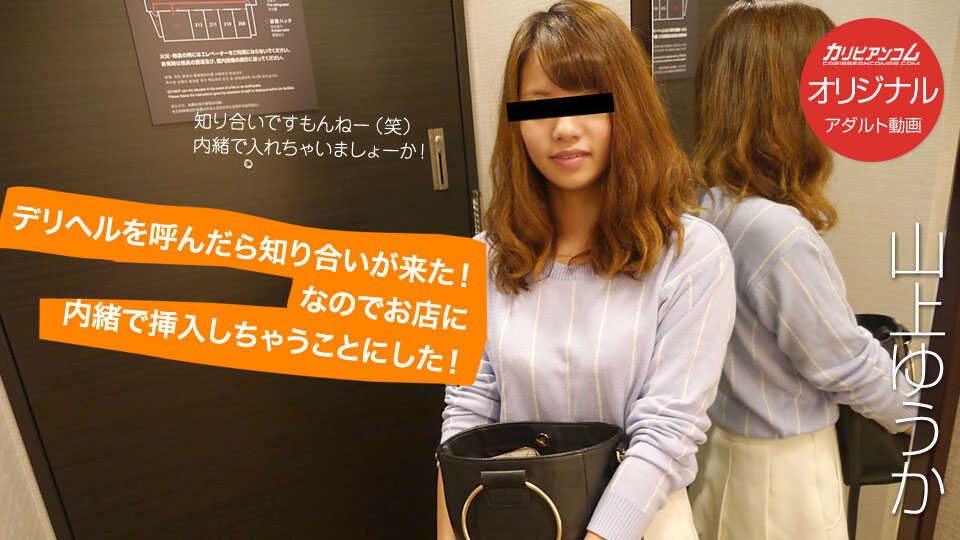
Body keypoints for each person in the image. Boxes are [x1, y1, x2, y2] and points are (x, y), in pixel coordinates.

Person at [436, 2, 737, 539]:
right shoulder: (483, 259)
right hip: (513, 520)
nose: (564, 128)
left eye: (589, 103)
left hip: (642, 524)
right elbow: (467, 417)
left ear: (629, 108)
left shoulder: (691, 255)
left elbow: (667, 431)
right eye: (540, 107)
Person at [687, 2, 917, 539]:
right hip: (782, 474)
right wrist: (925, 417)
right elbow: (845, 363)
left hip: (721, 457)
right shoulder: (777, 233)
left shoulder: (707, 207)